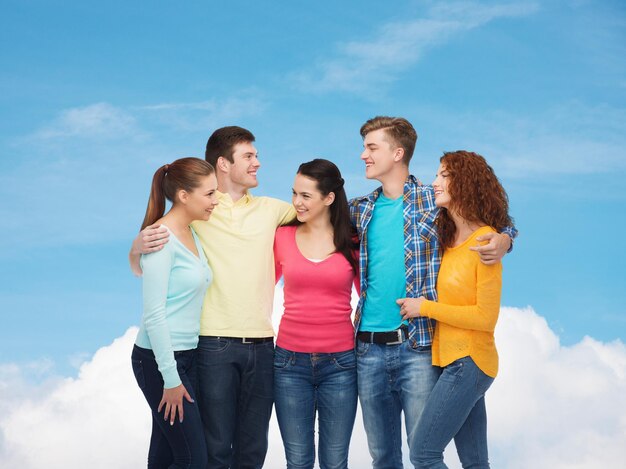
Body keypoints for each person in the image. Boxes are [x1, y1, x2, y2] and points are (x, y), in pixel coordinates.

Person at [349, 117, 517, 468]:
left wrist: (504, 239)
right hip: (367, 347)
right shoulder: (359, 209)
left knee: (422, 450)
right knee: (383, 456)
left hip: (418, 346)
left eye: (371, 147)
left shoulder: (432, 200)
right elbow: (312, 210)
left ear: (397, 153)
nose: (363, 154)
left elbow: (490, 223)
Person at [130, 126, 295, 468]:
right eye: (249, 156)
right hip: (211, 345)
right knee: (209, 451)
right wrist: (135, 250)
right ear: (223, 163)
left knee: (249, 451)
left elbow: (322, 213)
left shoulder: (271, 209)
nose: (258, 163)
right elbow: (152, 268)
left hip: (262, 344)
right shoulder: (198, 210)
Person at [397, 151, 511, 469]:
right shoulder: (448, 239)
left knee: (423, 453)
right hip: (452, 363)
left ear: (465, 182)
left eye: (443, 175)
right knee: (475, 463)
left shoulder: (484, 242)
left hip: (469, 362)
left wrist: (426, 308)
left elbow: (485, 318)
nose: (435, 182)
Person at [131, 157, 218, 469]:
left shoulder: (193, 233)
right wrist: (170, 378)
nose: (215, 200)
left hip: (187, 356)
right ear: (184, 195)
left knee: (167, 453)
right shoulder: (160, 238)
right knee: (192, 458)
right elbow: (153, 314)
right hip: (158, 361)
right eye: (209, 194)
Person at [273, 159, 359, 469]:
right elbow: (257, 287)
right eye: (294, 193)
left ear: (329, 198)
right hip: (288, 364)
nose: (297, 202)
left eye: (306, 195)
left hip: (341, 365)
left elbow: (370, 298)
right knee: (298, 462)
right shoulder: (281, 236)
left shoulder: (353, 242)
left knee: (335, 462)